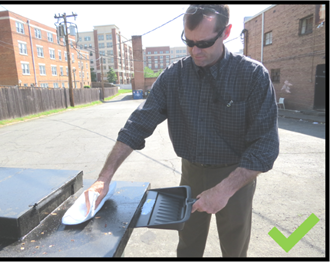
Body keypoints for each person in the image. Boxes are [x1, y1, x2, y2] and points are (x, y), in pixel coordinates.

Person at [84, 4, 279, 257]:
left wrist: (224, 189)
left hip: (236, 175)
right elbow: (137, 125)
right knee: (188, 244)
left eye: (205, 43)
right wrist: (104, 177)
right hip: (192, 173)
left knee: (235, 245)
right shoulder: (174, 76)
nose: (195, 51)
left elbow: (265, 146)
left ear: (226, 32)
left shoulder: (252, 76)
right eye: (189, 42)